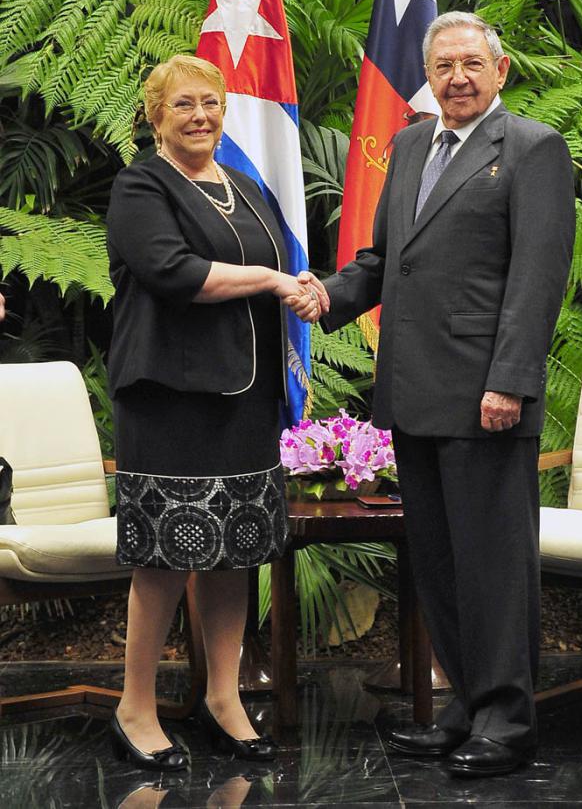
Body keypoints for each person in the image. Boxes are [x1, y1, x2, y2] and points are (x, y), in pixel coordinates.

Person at [318, 13, 575, 777]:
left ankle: (508, 719)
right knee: (440, 563)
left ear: (501, 71)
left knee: (493, 564)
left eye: (471, 62)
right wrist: (322, 296)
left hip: (484, 394)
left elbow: (536, 280)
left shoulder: (531, 149)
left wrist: (509, 381)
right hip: (414, 388)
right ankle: (466, 705)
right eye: (443, 64)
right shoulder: (408, 145)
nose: (456, 76)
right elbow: (381, 259)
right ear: (427, 75)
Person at [106, 54, 327, 771]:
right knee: (166, 558)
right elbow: (172, 271)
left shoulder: (244, 184)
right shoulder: (141, 185)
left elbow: (280, 258)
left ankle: (224, 699)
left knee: (235, 552)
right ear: (155, 116)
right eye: (182, 105)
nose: (199, 115)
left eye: (210, 102)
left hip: (246, 402)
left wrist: (294, 282)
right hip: (172, 402)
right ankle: (136, 706)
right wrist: (268, 277)